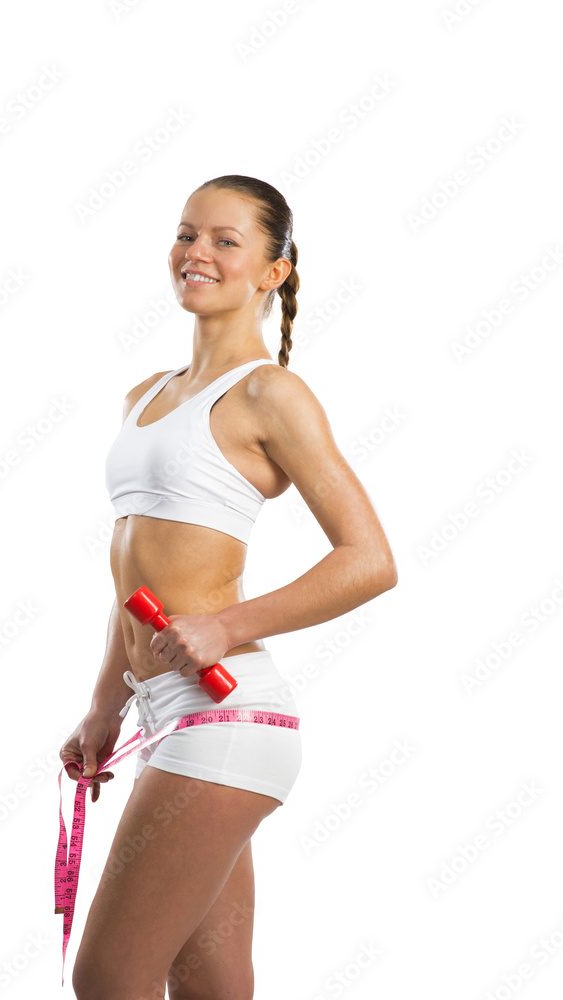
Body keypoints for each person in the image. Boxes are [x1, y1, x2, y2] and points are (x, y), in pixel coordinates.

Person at [60, 174, 397, 1000]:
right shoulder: (146, 394)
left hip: (228, 711)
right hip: (164, 712)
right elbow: (132, 572)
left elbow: (368, 559)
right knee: (209, 981)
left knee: (108, 978)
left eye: (224, 240)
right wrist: (105, 705)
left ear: (271, 271)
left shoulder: (267, 393)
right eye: (185, 233)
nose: (195, 253)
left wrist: (222, 625)